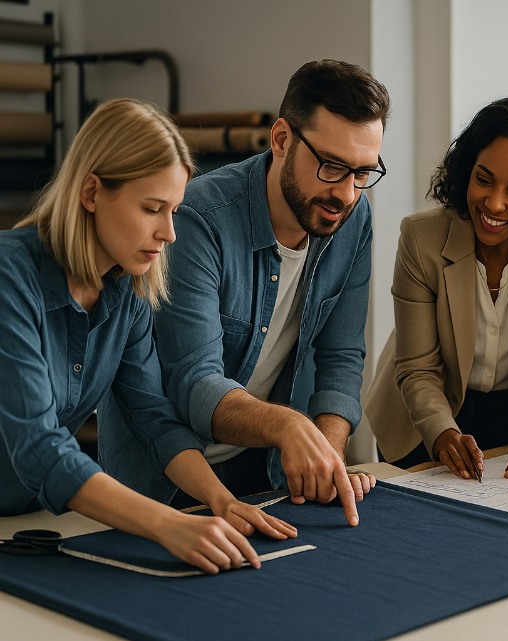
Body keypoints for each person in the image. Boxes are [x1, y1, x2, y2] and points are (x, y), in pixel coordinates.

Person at [0, 98, 296, 574]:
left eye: (174, 210)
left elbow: (154, 420)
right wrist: (166, 524)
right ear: (92, 192)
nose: (170, 233)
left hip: (23, 521)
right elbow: (40, 447)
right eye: (153, 208)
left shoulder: (128, 293)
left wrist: (220, 501)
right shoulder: (9, 277)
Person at [97, 61, 389, 526]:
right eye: (332, 167)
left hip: (265, 469)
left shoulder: (353, 218)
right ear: (281, 139)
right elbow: (194, 383)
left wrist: (325, 455)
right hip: (164, 482)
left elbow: (341, 358)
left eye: (363, 173)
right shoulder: (196, 220)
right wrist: (290, 426)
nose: (347, 194)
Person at [365, 97, 508, 487]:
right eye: (483, 179)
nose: (494, 203)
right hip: (418, 418)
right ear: (466, 169)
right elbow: (418, 370)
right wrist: (444, 435)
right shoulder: (420, 238)